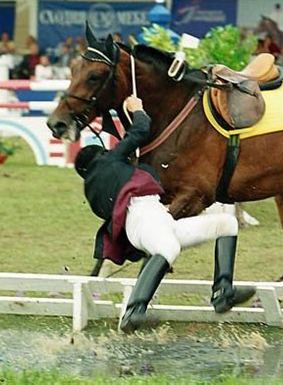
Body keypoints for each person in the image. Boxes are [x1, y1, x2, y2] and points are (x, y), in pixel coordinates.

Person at [74, 96, 255, 332]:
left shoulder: (95, 190)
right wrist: (137, 109)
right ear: (99, 156)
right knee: (168, 248)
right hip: (143, 217)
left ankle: (222, 291)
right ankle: (133, 311)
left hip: (156, 221)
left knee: (227, 224)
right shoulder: (110, 160)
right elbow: (140, 130)